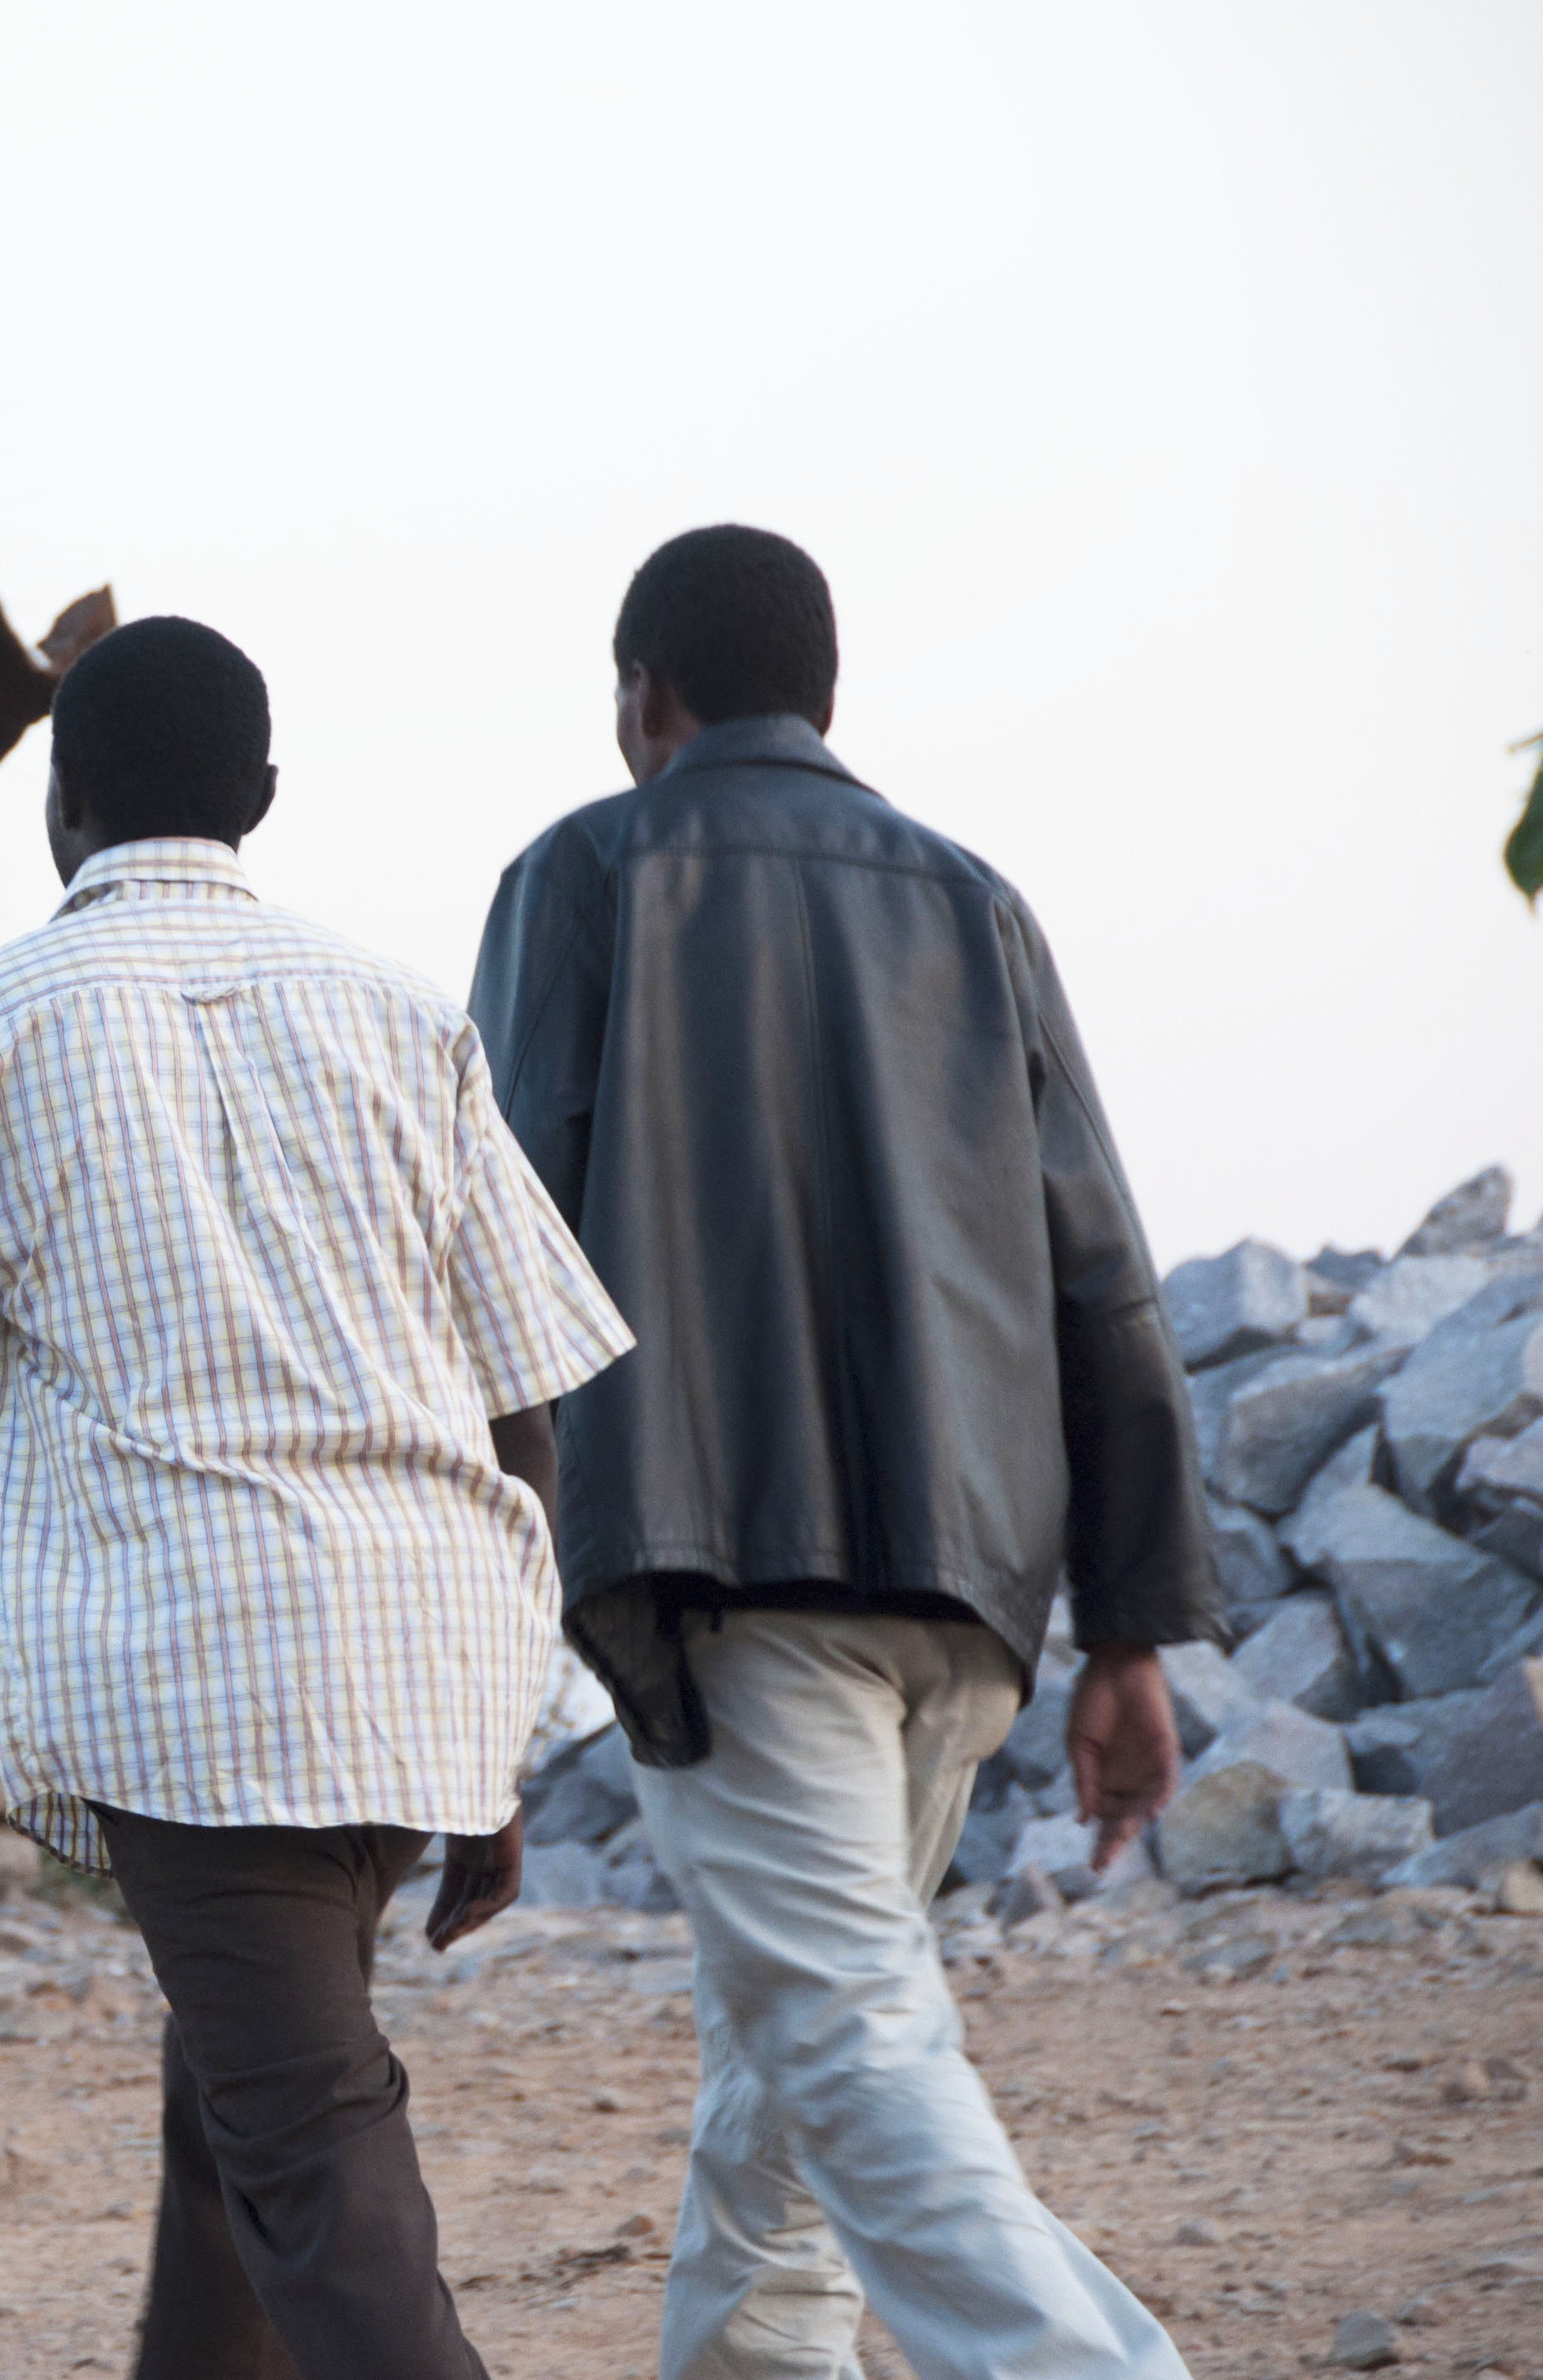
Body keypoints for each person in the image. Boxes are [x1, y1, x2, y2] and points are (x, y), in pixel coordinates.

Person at [0, 617, 634, 2380]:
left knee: (314, 2150)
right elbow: (526, 1411)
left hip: (196, 1682)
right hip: (418, 1649)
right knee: (246, 2081)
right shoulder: (403, 1019)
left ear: (58, 802)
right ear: (261, 797)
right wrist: (494, 1719)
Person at [467, 525, 1214, 2380]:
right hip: (970, 1590)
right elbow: (1101, 1281)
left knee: (852, 2038)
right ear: (823, 697)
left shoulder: (586, 874)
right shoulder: (970, 900)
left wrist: (481, 1629)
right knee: (792, 2037)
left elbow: (498, 1255)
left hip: (733, 1573)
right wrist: (1125, 1633)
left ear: (642, 695)